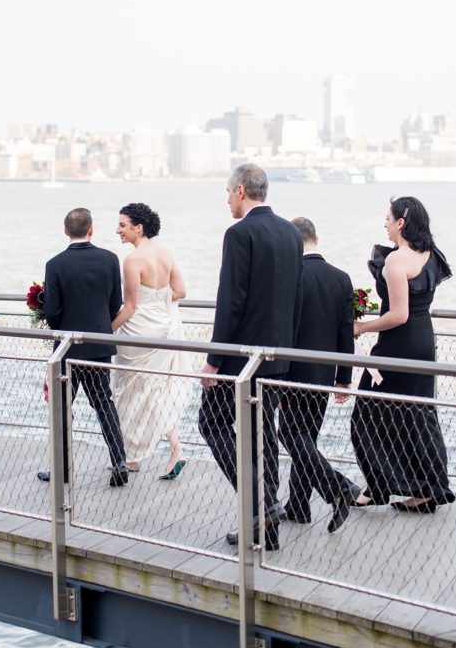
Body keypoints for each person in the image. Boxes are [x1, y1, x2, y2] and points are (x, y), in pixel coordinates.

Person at [199, 163, 303, 550]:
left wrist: (213, 359)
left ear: (240, 190)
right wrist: (288, 356)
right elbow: (297, 299)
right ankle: (266, 531)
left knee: (210, 423)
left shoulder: (239, 233)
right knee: (263, 438)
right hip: (278, 356)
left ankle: (262, 505)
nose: (227, 199)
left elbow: (231, 301)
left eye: (227, 192)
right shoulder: (291, 232)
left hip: (241, 359)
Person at [351, 196, 455, 513]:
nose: (384, 223)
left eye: (387, 218)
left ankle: (382, 485)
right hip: (424, 341)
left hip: (398, 344)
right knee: (418, 413)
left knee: (366, 413)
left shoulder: (397, 261)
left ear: (401, 223)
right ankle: (426, 489)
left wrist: (362, 327)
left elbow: (398, 315)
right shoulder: (431, 254)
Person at [278, 217, 360, 533]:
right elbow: (346, 333)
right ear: (316, 237)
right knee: (306, 437)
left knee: (289, 434)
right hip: (325, 373)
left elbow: (286, 332)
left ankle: (337, 487)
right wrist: (344, 378)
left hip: (294, 372)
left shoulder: (291, 277)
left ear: (291, 243)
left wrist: (280, 382)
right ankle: (298, 506)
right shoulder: (341, 278)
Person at [39, 207, 128, 488]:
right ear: (91, 230)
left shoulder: (55, 264)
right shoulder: (110, 259)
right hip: (100, 344)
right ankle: (119, 461)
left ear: (65, 231)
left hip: (66, 349)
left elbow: (52, 312)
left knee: (62, 407)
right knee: (104, 404)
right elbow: (115, 304)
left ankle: (62, 469)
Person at [112, 203, 188, 479]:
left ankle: (134, 457)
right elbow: (180, 290)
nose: (117, 230)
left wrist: (105, 329)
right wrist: (158, 300)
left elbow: (130, 306)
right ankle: (167, 452)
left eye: (122, 225)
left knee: (129, 394)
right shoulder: (165, 254)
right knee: (154, 392)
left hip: (138, 332)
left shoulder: (132, 260)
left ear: (138, 227)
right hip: (163, 330)